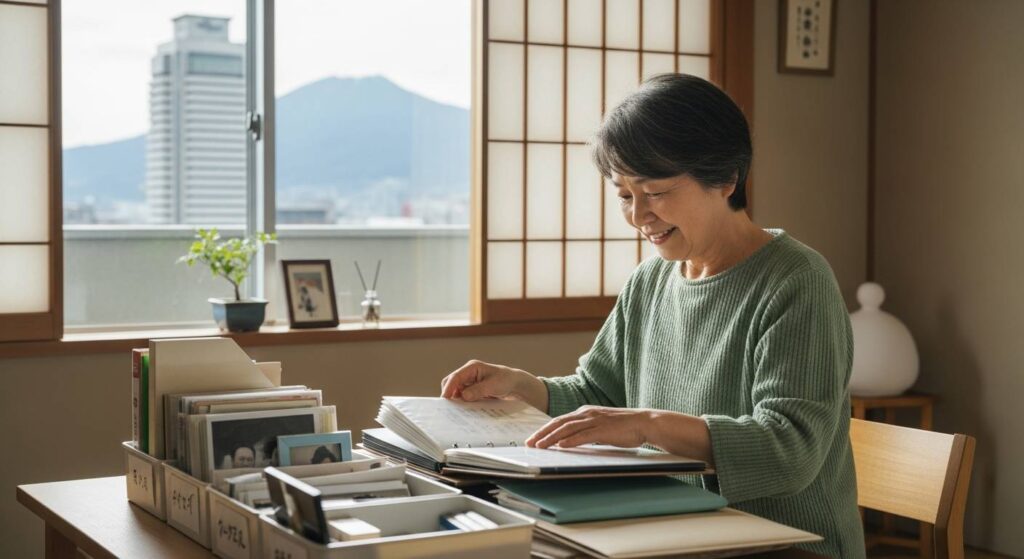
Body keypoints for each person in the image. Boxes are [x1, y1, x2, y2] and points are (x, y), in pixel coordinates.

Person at [441, 74, 864, 558]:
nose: (638, 215)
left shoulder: (795, 280)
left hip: (786, 547)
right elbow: (597, 395)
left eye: (656, 192)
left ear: (726, 178)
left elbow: (791, 450)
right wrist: (520, 386)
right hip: (673, 532)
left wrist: (649, 425)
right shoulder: (651, 281)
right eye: (624, 194)